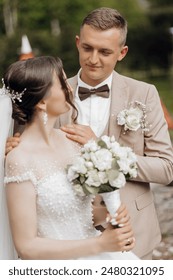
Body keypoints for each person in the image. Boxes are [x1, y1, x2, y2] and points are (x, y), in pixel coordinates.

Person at [6, 7, 173, 259]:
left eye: (105, 51)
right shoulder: (47, 91)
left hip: (132, 233)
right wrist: (9, 147)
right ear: (77, 43)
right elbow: (25, 158)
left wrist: (103, 151)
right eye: (87, 48)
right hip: (59, 241)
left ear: (122, 52)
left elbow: (166, 168)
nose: (93, 59)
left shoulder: (144, 94)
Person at [0, 56, 137, 260]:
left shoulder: (72, 140)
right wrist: (99, 244)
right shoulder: (19, 159)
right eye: (63, 83)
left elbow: (75, 212)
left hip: (99, 255)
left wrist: (109, 217)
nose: (70, 88)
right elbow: (26, 246)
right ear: (42, 102)